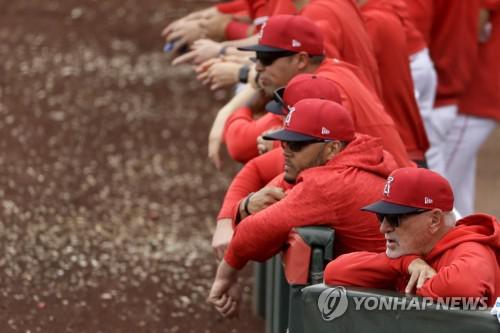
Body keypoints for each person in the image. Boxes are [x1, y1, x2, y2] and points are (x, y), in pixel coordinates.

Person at [208, 98, 399, 317]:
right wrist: (244, 207)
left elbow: (254, 231)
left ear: (332, 148)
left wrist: (226, 275)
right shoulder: (359, 153)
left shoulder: (330, 183)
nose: (285, 151)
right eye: (285, 142)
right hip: (392, 296)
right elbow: (274, 187)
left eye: (297, 145)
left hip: (392, 306)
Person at [324, 167, 500, 306]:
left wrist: (418, 281)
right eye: (381, 217)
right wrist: (405, 264)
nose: (384, 228)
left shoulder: (473, 250)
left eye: (394, 218)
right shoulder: (410, 253)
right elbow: (334, 273)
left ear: (434, 220)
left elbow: (463, 286)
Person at [442, 1, 500, 216]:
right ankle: (473, 242)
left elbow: (468, 30)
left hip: (474, 95)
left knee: (439, 185)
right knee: (458, 192)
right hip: (474, 92)